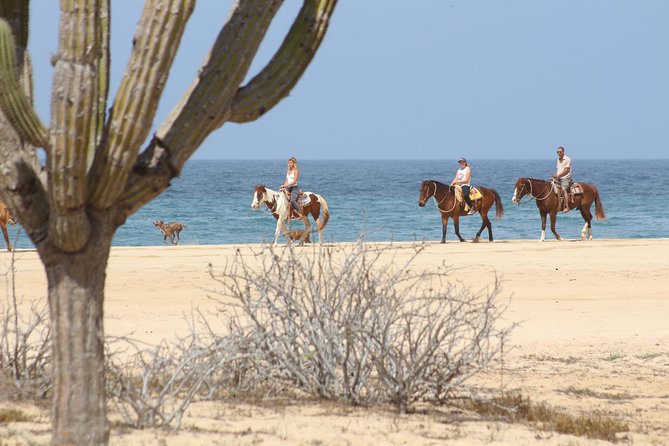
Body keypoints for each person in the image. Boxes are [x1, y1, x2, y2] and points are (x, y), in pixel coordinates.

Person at [552, 146, 572, 212]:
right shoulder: (558, 160)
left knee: (563, 189)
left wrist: (557, 176)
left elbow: (566, 170)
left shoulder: (567, 159)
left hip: (566, 178)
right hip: (559, 178)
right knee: (550, 186)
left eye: (560, 152)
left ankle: (567, 206)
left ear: (563, 152)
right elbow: (559, 170)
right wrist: (555, 175)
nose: (558, 153)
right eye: (557, 152)